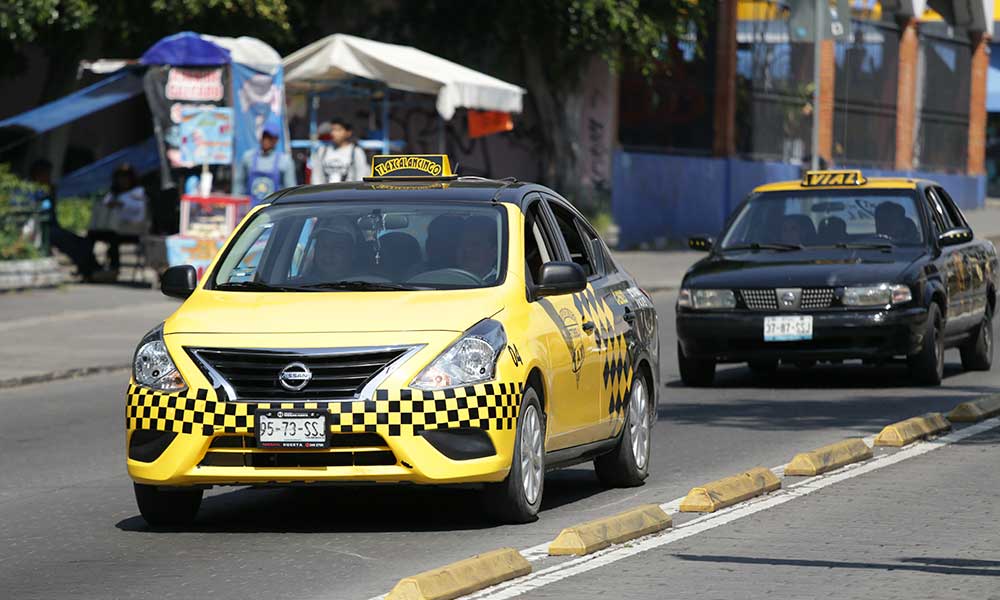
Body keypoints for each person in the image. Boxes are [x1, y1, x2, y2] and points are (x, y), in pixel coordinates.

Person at [27, 159, 102, 280]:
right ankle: (89, 269)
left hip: (51, 227)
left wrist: (51, 194)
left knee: (83, 241)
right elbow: (39, 210)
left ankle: (91, 268)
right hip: (40, 229)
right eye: (46, 174)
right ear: (37, 174)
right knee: (69, 241)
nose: (49, 177)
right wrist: (47, 194)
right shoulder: (31, 190)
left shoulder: (48, 189)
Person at [88, 163, 148, 272]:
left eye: (125, 177)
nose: (123, 181)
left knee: (113, 238)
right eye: (120, 178)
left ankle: (114, 268)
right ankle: (91, 265)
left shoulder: (138, 193)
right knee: (91, 236)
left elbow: (140, 212)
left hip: (130, 230)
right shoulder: (113, 193)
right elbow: (105, 204)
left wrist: (122, 204)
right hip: (110, 228)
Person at [234, 118, 296, 207]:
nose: (266, 140)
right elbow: (239, 185)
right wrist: (237, 207)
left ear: (276, 140)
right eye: (265, 136)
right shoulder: (248, 157)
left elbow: (290, 191)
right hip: (251, 210)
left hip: (274, 211)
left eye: (270, 138)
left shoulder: (285, 161)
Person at [310, 118, 369, 183]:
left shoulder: (356, 152)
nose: (333, 133)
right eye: (332, 130)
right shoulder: (322, 151)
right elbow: (316, 176)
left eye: (338, 130)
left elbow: (361, 176)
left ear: (348, 133)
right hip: (326, 192)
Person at [456, 216, 499, 281]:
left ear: (494, 252)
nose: (467, 249)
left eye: (475, 245)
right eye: (463, 243)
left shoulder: (503, 285)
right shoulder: (443, 280)